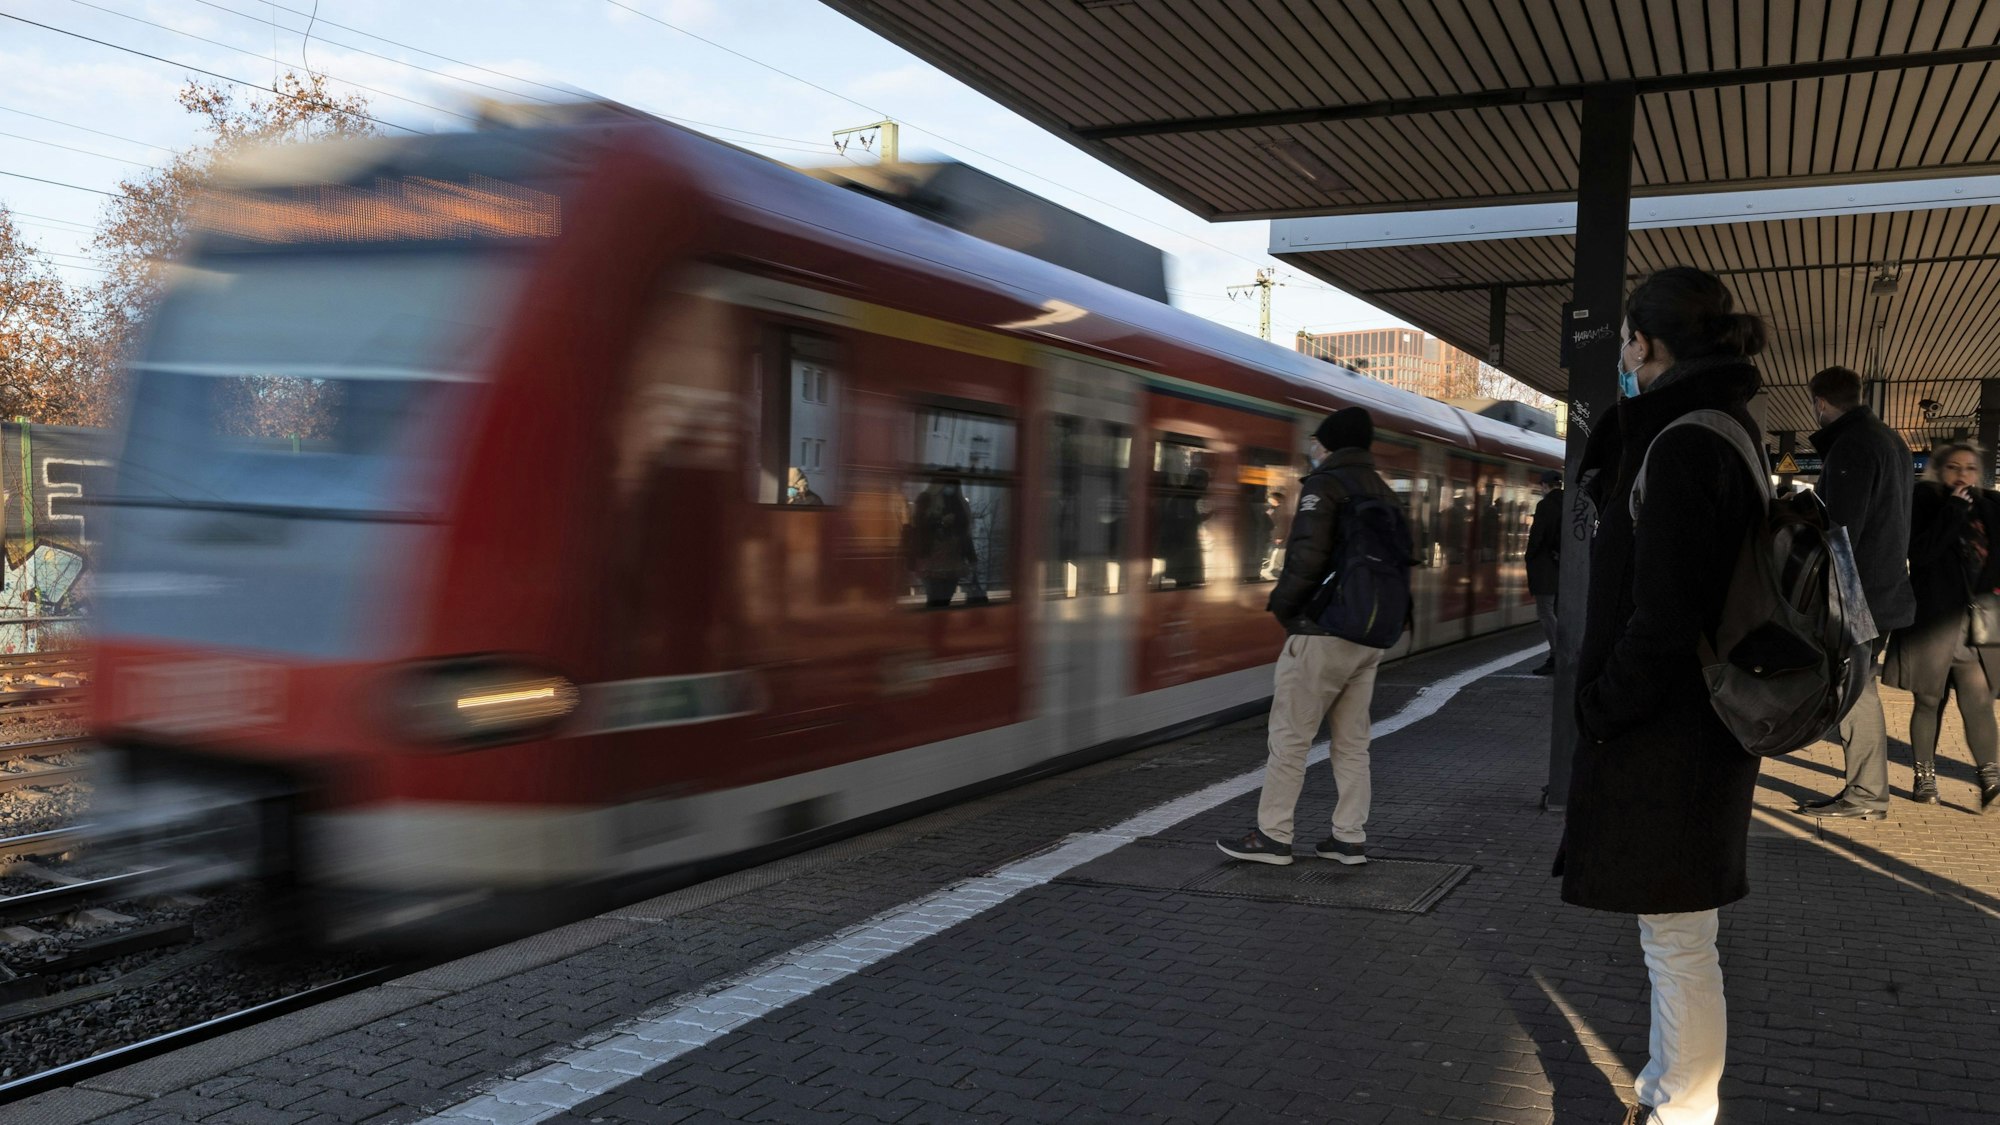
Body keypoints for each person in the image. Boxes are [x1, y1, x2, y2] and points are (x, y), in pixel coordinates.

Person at [1559, 267, 1768, 1125]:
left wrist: (1605, 702)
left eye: (1626, 343)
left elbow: (1665, 607)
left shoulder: (1681, 440)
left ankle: (1680, 1105)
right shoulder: (1732, 430)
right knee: (1680, 931)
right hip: (1703, 719)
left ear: (1644, 343)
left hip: (1670, 727)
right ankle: (1673, 1091)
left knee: (1677, 936)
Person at [1217, 407, 1395, 867]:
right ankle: (1348, 838)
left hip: (1324, 630)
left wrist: (1284, 607)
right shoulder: (1382, 489)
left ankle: (1273, 837)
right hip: (1369, 635)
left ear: (1331, 444)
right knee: (1353, 742)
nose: (1313, 450)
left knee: (1290, 738)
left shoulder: (1326, 485)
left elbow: (1307, 557)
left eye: (1317, 442)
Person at [1794, 366, 1915, 818]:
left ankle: (1866, 795)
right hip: (1884, 590)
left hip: (1858, 596)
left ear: (1820, 403)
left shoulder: (1854, 446)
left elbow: (1839, 532)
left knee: (1853, 691)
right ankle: (1866, 791)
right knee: (1857, 688)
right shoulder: (1891, 442)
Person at [1883, 441, 2000, 812]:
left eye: (1969, 468)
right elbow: (1920, 553)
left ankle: (1991, 778)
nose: (1962, 474)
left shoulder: (1993, 506)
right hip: (1933, 620)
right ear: (1937, 470)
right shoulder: (1922, 501)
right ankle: (1924, 776)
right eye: (1953, 467)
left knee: (1979, 701)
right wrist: (1953, 510)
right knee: (1929, 700)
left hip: (1980, 621)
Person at [909, 476, 979, 607]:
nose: (950, 488)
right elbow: (918, 527)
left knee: (945, 599)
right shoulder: (925, 499)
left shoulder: (960, 503)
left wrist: (971, 557)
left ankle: (937, 624)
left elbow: (965, 533)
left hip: (952, 560)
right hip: (930, 559)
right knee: (935, 599)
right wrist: (940, 522)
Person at [1525, 469, 1564, 675]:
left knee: (1545, 611)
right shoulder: (1569, 502)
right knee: (1555, 611)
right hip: (1562, 567)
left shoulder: (1545, 505)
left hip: (1545, 567)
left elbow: (1537, 537)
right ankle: (1559, 653)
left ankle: (1557, 654)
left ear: (1545, 486)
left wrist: (1529, 556)